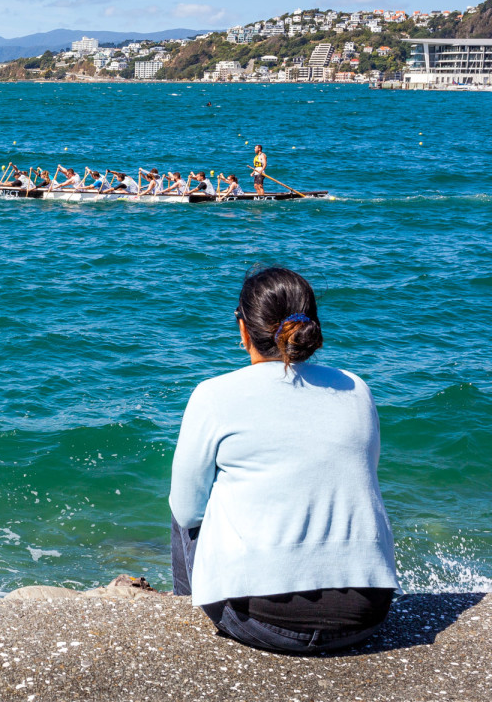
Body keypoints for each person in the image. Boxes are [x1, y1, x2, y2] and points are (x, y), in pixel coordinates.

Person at [169, 267, 399, 655]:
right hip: (368, 614)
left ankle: (183, 605)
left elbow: (187, 509)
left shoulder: (212, 395)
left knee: (187, 508)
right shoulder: (355, 388)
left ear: (244, 329)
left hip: (263, 620)